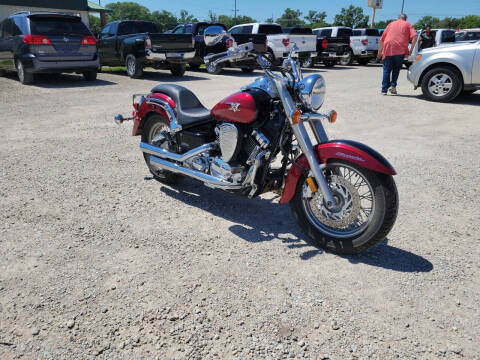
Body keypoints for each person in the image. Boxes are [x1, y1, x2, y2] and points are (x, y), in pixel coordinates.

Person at [377, 14, 417, 95]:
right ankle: (393, 87)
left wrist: (379, 52)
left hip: (388, 48)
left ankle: (384, 90)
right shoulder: (408, 24)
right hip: (400, 49)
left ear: (398, 18)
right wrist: (411, 50)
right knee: (396, 69)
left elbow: (382, 39)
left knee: (386, 70)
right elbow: (415, 36)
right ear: (405, 19)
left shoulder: (390, 24)